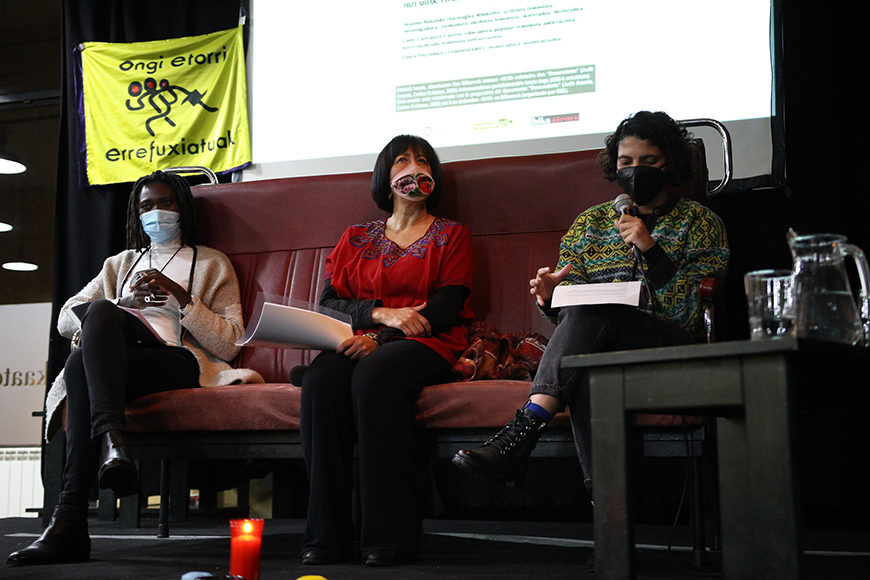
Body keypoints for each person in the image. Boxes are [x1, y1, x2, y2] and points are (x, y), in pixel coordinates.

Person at [452, 111, 729, 496]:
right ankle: (610, 521)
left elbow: (693, 316)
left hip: (669, 346)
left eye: (648, 162)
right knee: (589, 364)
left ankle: (521, 434)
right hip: (600, 353)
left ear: (672, 163)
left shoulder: (700, 221)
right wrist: (549, 296)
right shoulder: (590, 223)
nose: (635, 171)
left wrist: (650, 249)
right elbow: (570, 317)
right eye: (625, 162)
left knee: (600, 322)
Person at [7, 171, 263, 567]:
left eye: (165, 204)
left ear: (182, 209)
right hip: (123, 363)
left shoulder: (212, 262)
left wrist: (183, 301)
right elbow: (64, 320)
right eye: (146, 206)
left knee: (83, 360)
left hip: (177, 360)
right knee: (90, 335)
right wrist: (124, 300)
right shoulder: (119, 264)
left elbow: (229, 343)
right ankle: (102, 460)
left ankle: (72, 514)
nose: (156, 213)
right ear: (135, 215)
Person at [299, 135, 474, 567]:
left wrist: (380, 338)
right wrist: (379, 316)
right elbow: (329, 303)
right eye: (402, 160)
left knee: (375, 375)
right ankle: (327, 537)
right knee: (321, 381)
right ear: (386, 176)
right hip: (361, 338)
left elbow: (447, 307)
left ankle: (389, 535)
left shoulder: (452, 234)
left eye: (423, 161)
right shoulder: (355, 237)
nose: (414, 167)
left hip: (430, 342)